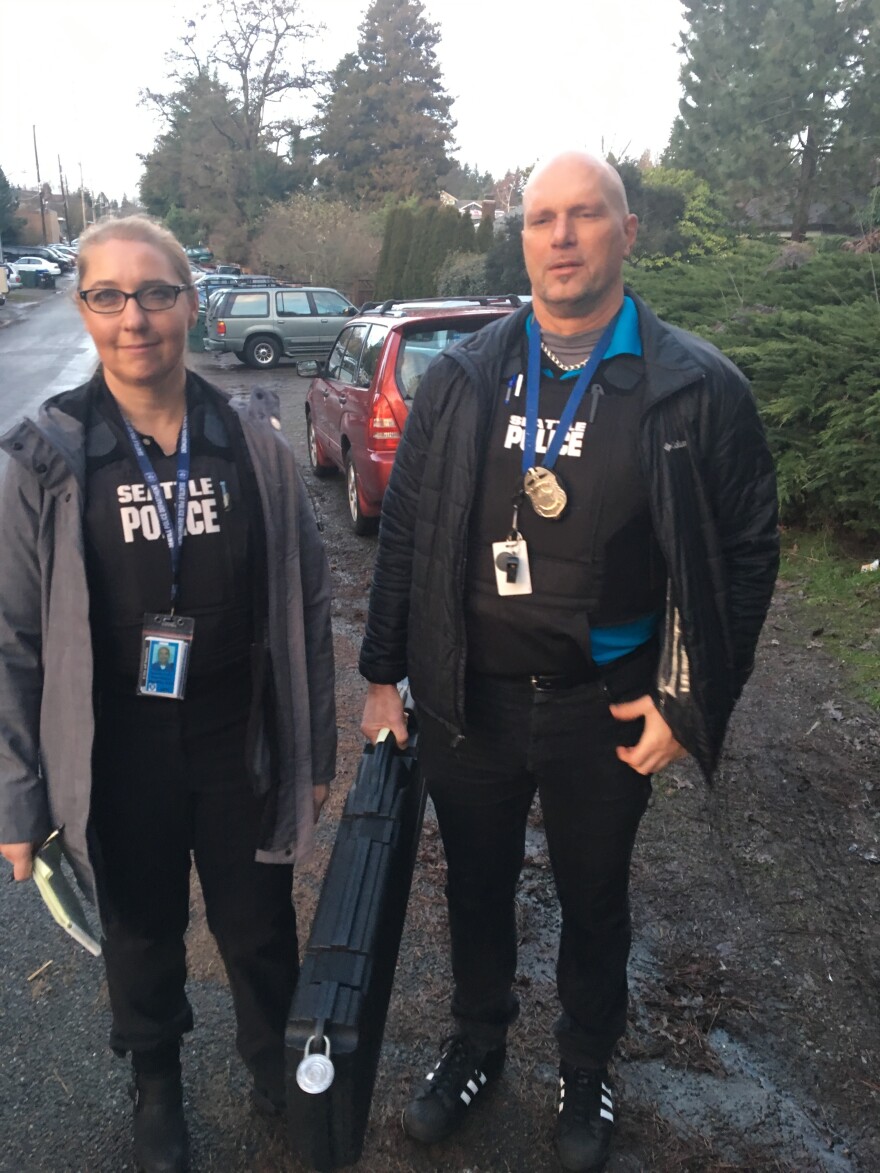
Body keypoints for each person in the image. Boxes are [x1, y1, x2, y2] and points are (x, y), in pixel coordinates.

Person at [359, 152, 779, 1172]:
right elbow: (408, 530)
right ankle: (476, 1043)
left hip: (609, 708)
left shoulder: (692, 385)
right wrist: (381, 676)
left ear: (626, 232)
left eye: (583, 214)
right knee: (475, 887)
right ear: (523, 237)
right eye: (540, 216)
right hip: (474, 699)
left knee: (595, 897)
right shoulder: (464, 377)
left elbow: (743, 552)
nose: (559, 235)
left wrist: (688, 701)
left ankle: (585, 1063)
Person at [0, 216, 336, 1173]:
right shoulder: (49, 456)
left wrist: (311, 747)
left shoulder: (251, 440)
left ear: (192, 303)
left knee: (260, 927)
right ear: (84, 308)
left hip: (237, 746)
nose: (133, 316)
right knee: (140, 938)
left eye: (155, 292)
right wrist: (19, 800)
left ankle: (274, 1065)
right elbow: (12, 643)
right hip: (118, 758)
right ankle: (157, 1090)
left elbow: (306, 602)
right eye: (108, 295)